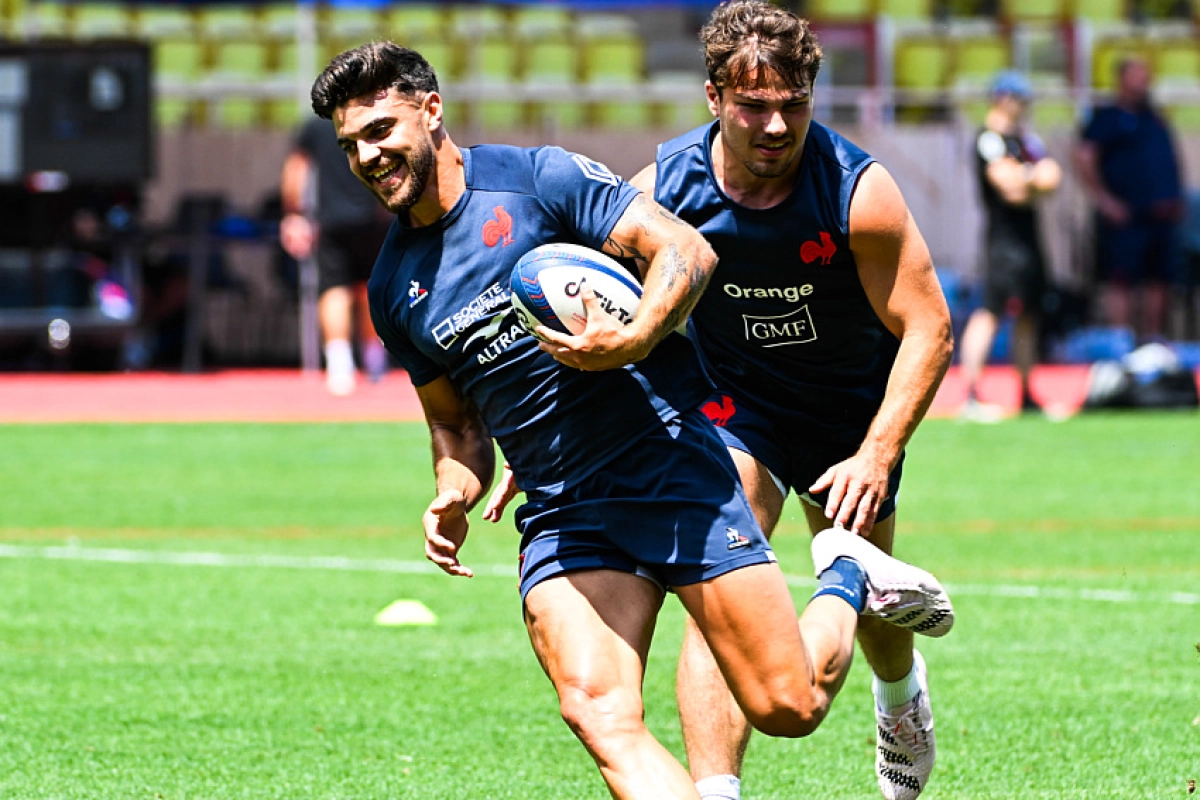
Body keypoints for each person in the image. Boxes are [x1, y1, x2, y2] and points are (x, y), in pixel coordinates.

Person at [313, 41, 953, 800]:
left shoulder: (538, 180)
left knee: (789, 704)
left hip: (669, 463)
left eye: (381, 130)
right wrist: (454, 485)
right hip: (564, 509)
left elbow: (684, 251)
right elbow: (453, 425)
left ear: (431, 109)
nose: (369, 156)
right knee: (597, 710)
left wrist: (636, 337)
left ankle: (849, 570)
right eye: (351, 144)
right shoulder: (393, 285)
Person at [631, 3, 953, 798]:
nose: (777, 125)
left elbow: (930, 329)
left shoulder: (856, 192)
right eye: (754, 106)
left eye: (794, 104)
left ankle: (898, 695)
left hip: (852, 417)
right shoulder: (663, 193)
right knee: (721, 584)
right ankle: (716, 790)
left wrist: (877, 452)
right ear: (714, 97)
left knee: (878, 626)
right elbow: (602, 303)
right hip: (736, 412)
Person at [960, 70, 1062, 422]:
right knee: (991, 311)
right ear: (1002, 99)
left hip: (1030, 240)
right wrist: (1032, 179)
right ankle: (971, 394)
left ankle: (1027, 393)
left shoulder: (1026, 141)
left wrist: (1027, 179)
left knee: (1030, 315)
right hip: (1003, 242)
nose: (1024, 108)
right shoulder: (989, 139)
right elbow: (1011, 189)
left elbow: (1053, 178)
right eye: (1019, 100)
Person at [280, 115, 392, 395]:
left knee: (334, 289)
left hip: (332, 220)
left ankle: (339, 364)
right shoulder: (374, 119)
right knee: (370, 288)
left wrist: (293, 213)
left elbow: (297, 168)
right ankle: (374, 360)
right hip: (372, 216)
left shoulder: (317, 125)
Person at [1074, 55, 1184, 342]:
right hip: (1126, 217)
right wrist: (1104, 199)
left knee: (1159, 280)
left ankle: (1153, 340)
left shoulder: (1154, 117)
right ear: (1122, 79)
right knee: (1121, 279)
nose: (1144, 81)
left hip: (1160, 215)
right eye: (1137, 75)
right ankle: (1120, 341)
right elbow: (1085, 156)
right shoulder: (1108, 117)